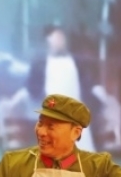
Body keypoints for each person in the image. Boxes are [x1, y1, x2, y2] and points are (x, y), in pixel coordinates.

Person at [26, 24, 97, 152]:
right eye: (55, 38)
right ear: (48, 41)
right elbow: (32, 86)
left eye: (61, 38)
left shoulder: (77, 62)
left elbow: (88, 84)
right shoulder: (40, 63)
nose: (59, 41)